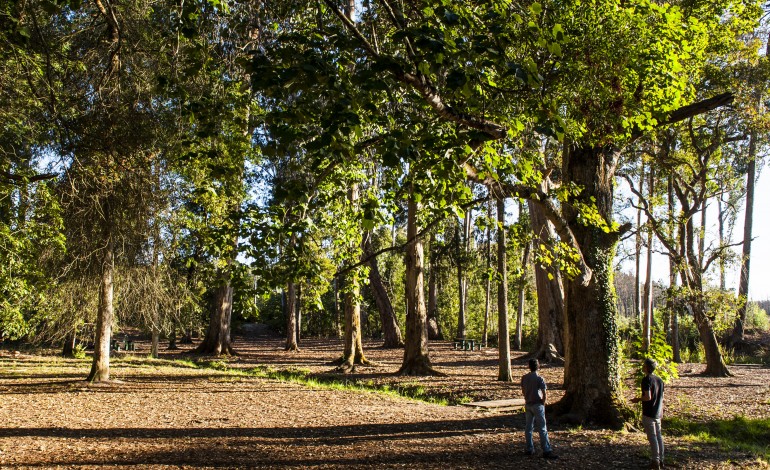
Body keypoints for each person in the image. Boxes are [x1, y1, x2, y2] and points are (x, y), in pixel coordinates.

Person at [520, 359, 558, 459]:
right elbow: (544, 393)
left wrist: (527, 398)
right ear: (538, 366)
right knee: (542, 428)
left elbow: (523, 391)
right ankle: (546, 450)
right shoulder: (539, 378)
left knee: (528, 427)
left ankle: (529, 448)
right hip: (537, 404)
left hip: (528, 404)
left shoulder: (524, 378)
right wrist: (543, 402)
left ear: (529, 366)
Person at [631, 358, 665, 469]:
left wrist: (638, 399)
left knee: (652, 437)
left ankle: (655, 460)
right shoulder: (660, 380)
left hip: (649, 412)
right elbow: (661, 397)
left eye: (644, 365)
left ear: (647, 367)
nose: (642, 367)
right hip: (658, 412)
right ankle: (661, 459)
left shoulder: (646, 380)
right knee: (659, 436)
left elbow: (648, 397)